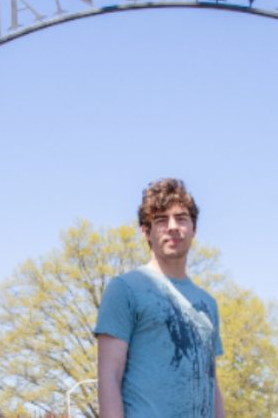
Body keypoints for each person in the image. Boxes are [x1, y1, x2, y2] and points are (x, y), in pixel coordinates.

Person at [95, 178, 225, 418]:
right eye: (161, 220)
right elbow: (109, 376)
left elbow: (212, 384)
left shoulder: (208, 304)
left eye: (181, 218)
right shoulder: (124, 289)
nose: (173, 227)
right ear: (146, 231)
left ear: (194, 229)